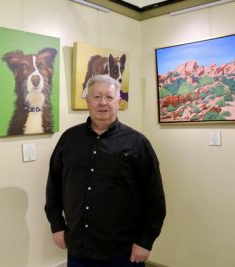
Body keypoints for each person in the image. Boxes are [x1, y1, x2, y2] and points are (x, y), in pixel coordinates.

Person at [45, 75, 166, 267]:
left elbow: (154, 197)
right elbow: (54, 186)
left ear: (118, 101)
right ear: (87, 101)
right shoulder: (69, 139)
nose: (103, 103)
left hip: (122, 251)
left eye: (109, 97)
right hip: (78, 248)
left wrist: (145, 241)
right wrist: (57, 225)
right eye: (96, 97)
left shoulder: (137, 143)